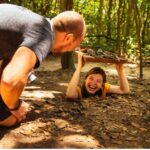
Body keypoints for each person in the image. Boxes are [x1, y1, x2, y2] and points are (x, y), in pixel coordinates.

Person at [0, 3, 86, 127]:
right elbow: (9, 80)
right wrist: (15, 107)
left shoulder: (36, 23)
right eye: (75, 46)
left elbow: (7, 65)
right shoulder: (44, 36)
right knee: (10, 120)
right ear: (68, 38)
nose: (71, 50)